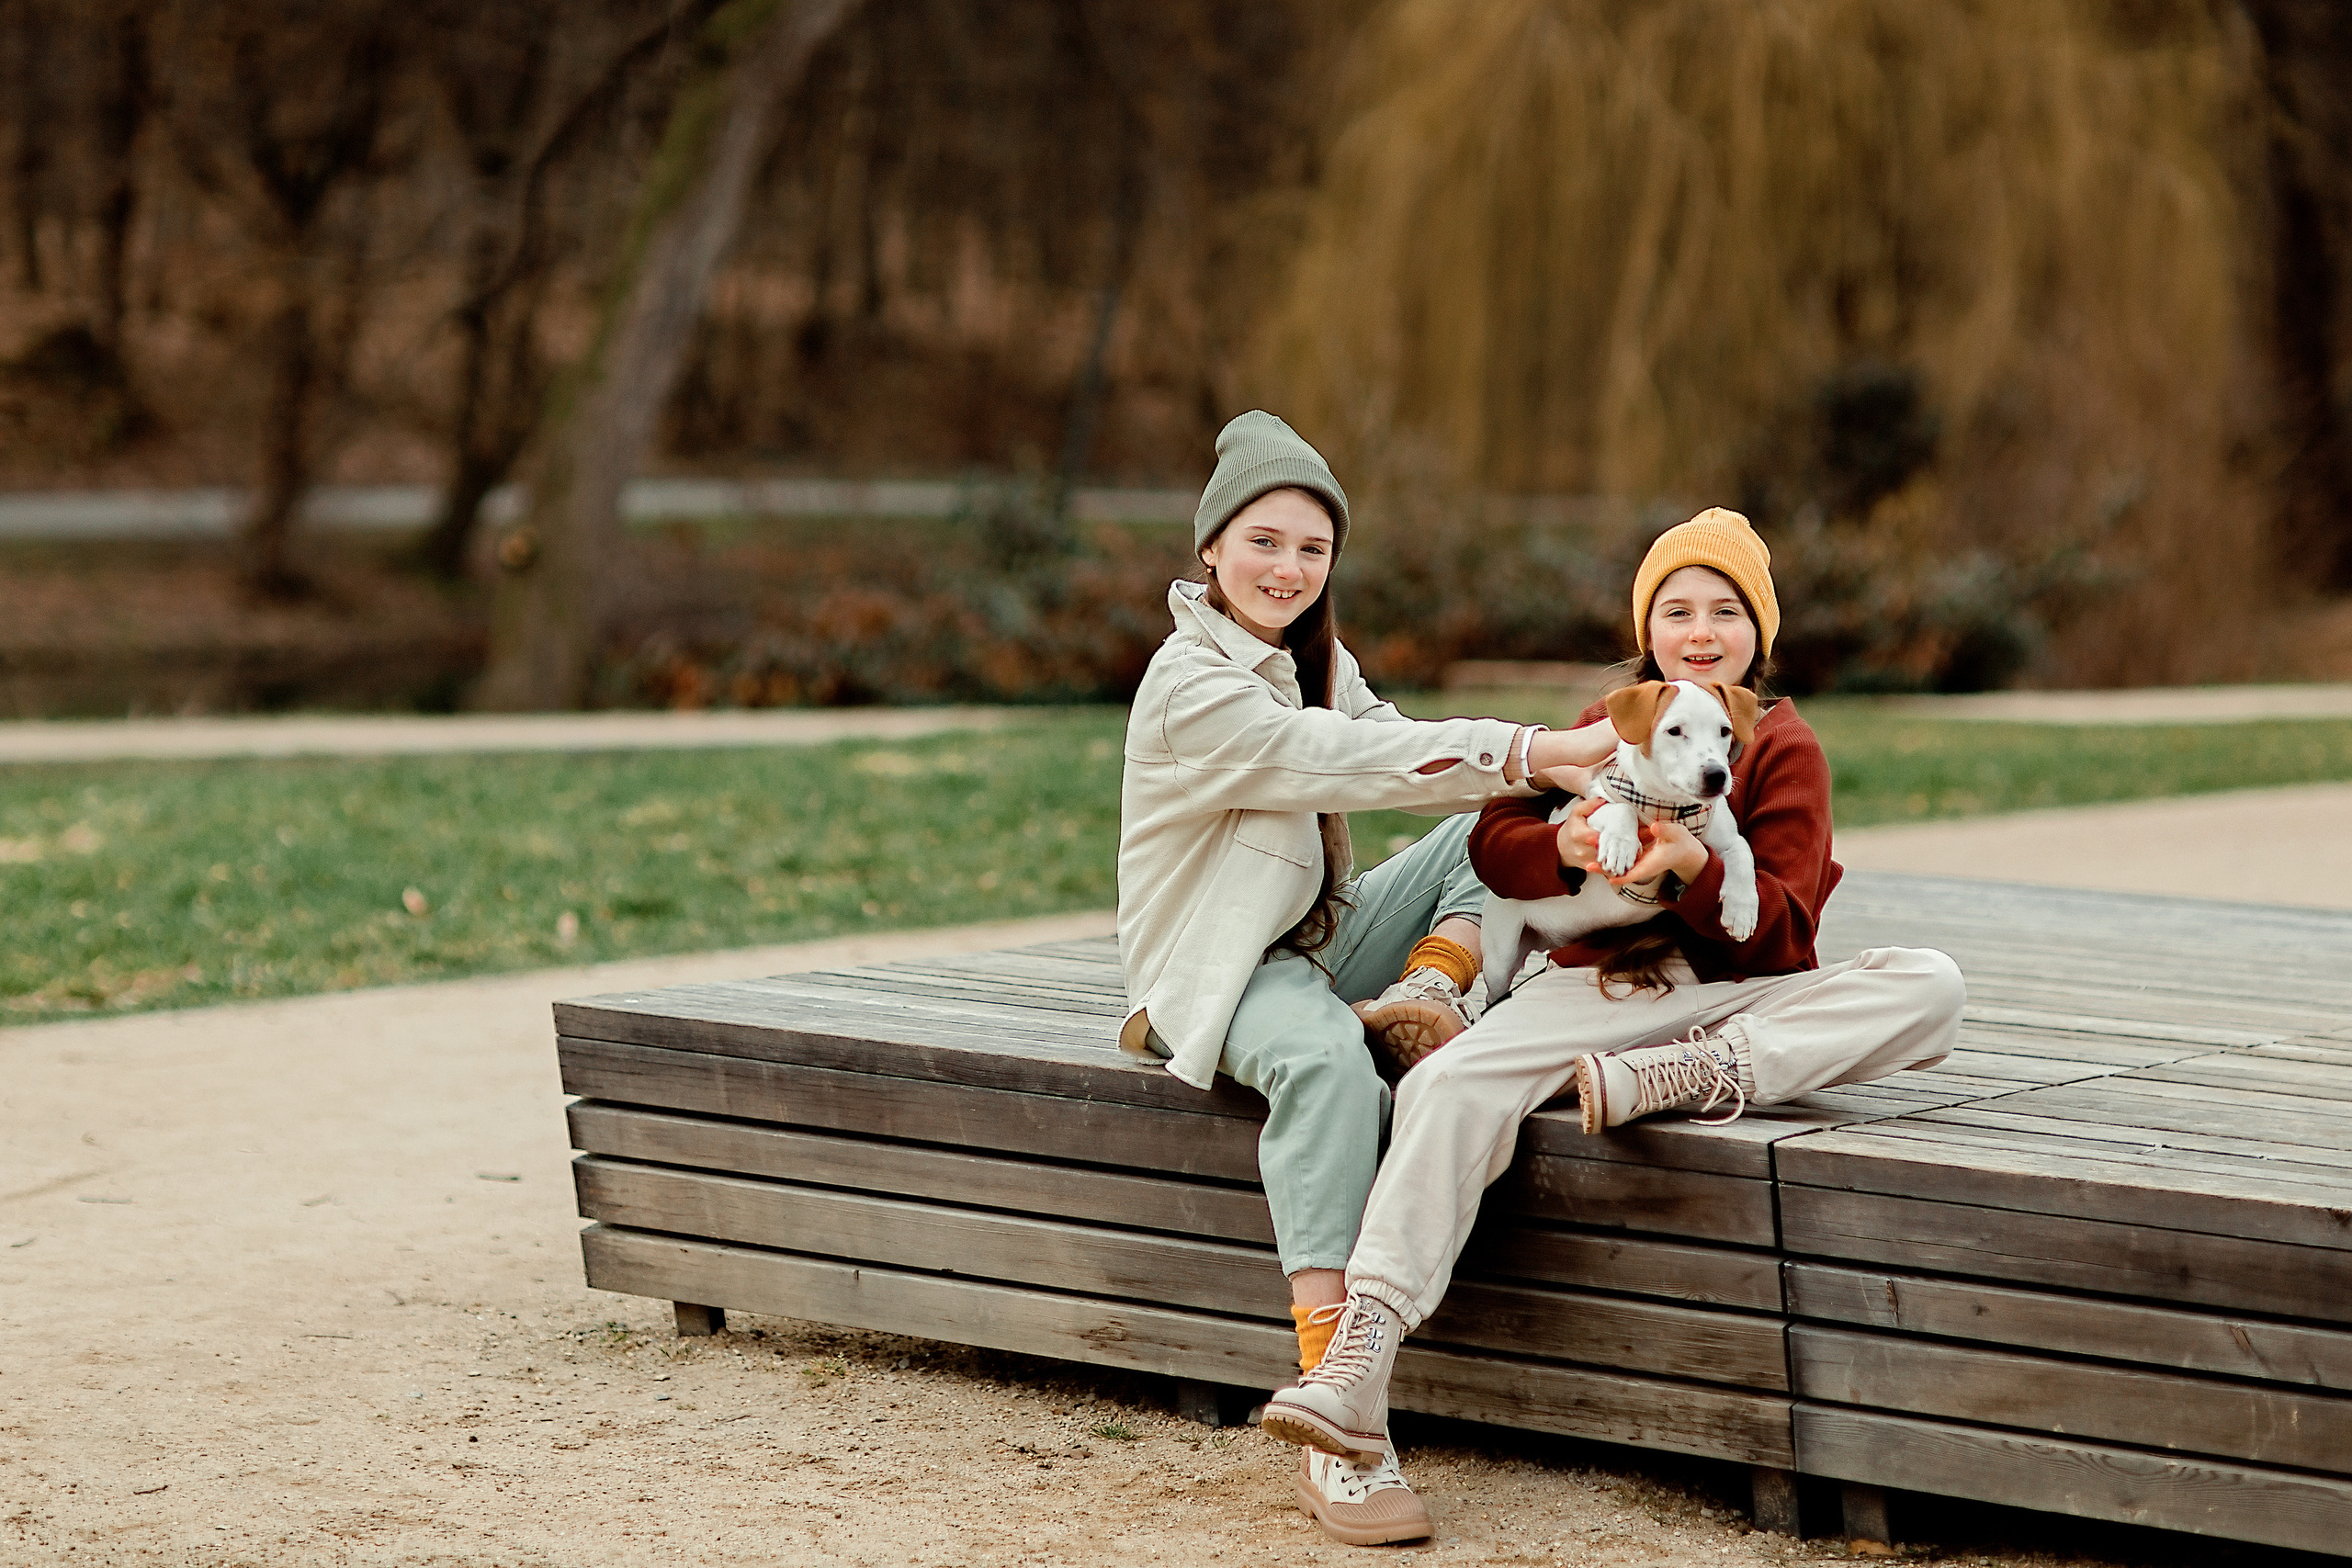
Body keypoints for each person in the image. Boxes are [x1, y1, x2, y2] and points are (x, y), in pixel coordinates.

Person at [1258, 508, 1967, 1508]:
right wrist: (1565, 850)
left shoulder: (1778, 741)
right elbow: (1489, 841)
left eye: (1726, 610)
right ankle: (1356, 1371)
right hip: (1598, 988)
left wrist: (1687, 875)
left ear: (1757, 633)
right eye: (1678, 609)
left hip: (1738, 995)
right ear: (1650, 629)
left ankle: (1684, 1079)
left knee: (1931, 986)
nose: (1702, 627)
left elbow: (1787, 923)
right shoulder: (1614, 720)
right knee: (1447, 1086)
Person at [1116, 411, 1618, 1546]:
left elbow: (1397, 744)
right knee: (1328, 1064)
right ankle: (1340, 1406)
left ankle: (1432, 995)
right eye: (1264, 541)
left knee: (1506, 824)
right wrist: (1533, 743)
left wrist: (1538, 778)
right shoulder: (1189, 685)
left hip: (1322, 929)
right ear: (1210, 549)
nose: (1288, 569)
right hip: (1224, 965)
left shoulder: (1313, 659)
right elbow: (1339, 758)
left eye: (1312, 549)